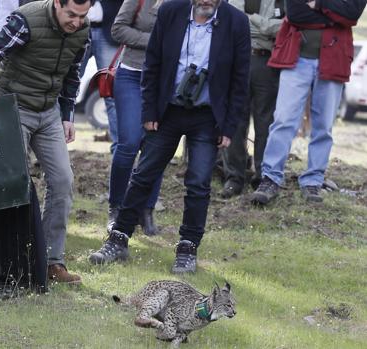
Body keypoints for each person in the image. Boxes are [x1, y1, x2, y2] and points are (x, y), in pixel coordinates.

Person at [89, 0, 250, 273]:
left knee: (199, 183)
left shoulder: (236, 22)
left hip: (207, 116)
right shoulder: (170, 12)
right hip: (168, 111)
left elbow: (240, 77)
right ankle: (118, 240)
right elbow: (152, 63)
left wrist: (228, 127)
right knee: (144, 174)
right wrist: (150, 109)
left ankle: (187, 248)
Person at [0, 0, 93, 285]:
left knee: (63, 180)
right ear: (57, 4)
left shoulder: (83, 30)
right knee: (16, 184)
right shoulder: (26, 21)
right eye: (71, 15)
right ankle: (12, 260)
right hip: (13, 106)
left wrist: (67, 115)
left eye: (82, 16)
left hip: (48, 111)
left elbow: (73, 73)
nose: (76, 22)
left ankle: (52, 261)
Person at [251, 0, 366, 205]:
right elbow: (296, 13)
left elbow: (352, 15)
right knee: (284, 120)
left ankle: (313, 180)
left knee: (323, 126)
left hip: (334, 57)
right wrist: (333, 14)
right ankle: (270, 178)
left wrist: (318, 4)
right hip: (296, 57)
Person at [107, 0, 163, 237]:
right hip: (132, 75)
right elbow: (118, 29)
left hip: (164, 81)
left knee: (157, 147)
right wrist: (155, 41)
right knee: (128, 144)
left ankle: (146, 210)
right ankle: (116, 208)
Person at [219, 0, 283, 198]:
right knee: (235, 121)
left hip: (267, 62)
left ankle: (263, 176)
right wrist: (264, 26)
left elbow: (281, 28)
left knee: (265, 122)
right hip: (237, 58)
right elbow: (232, 23)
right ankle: (234, 177)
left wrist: (252, 21)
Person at [79, 0, 121, 153]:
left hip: (109, 30)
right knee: (64, 88)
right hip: (76, 27)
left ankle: (119, 149)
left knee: (112, 92)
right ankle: (55, 149)